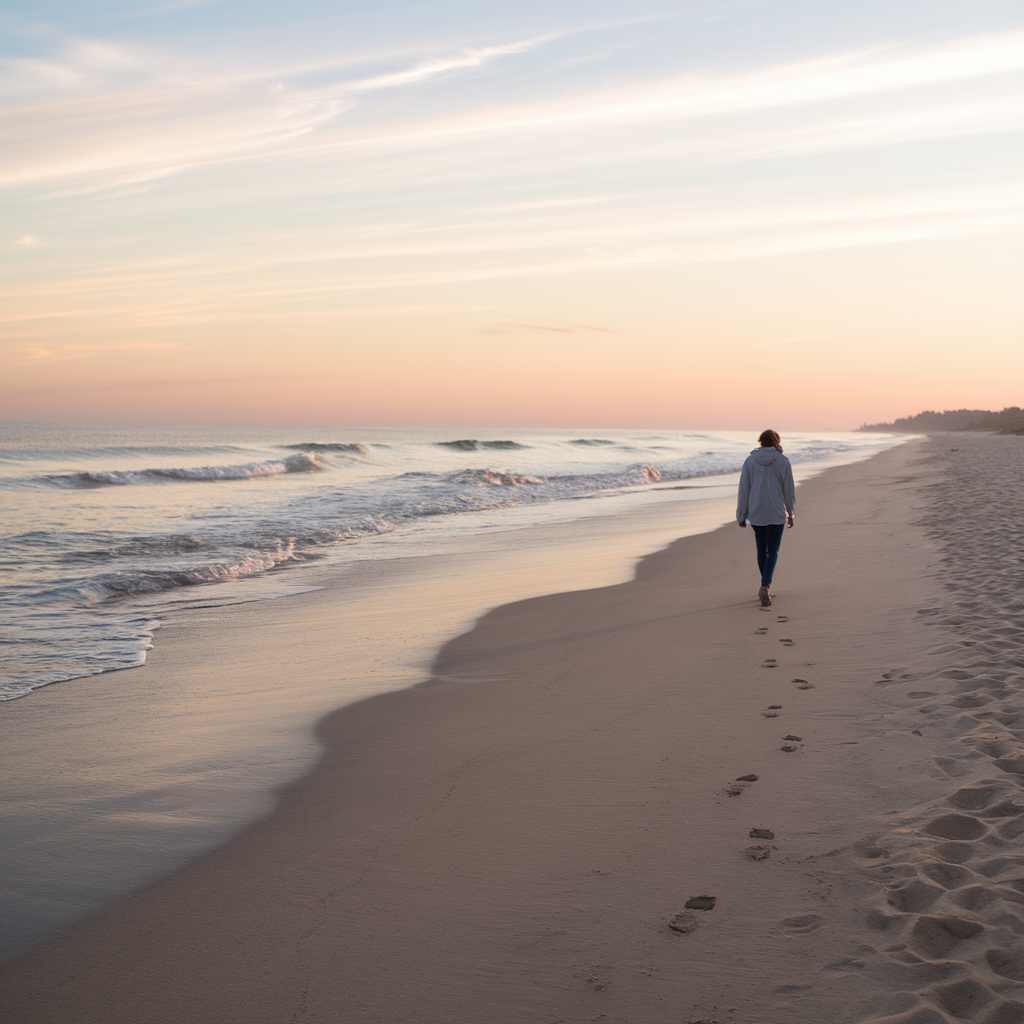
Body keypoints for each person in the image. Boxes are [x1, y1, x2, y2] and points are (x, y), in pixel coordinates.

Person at [737, 429, 795, 607]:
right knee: (773, 551)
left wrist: (741, 514)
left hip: (756, 512)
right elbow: (789, 489)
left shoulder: (750, 461)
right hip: (776, 511)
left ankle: (765, 585)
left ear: (760, 441)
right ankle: (765, 585)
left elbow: (744, 489)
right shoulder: (783, 461)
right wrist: (790, 512)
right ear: (776, 442)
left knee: (762, 549)